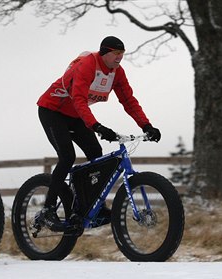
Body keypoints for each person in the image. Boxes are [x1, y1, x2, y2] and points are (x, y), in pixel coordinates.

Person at [36, 35, 161, 231]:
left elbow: (128, 101)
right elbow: (78, 99)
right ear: (104, 52)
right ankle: (47, 210)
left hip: (76, 115)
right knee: (67, 156)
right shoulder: (87, 65)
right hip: (52, 111)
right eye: (116, 53)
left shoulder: (117, 73)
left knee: (95, 152)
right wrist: (96, 126)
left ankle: (90, 204)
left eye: (123, 54)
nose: (120, 58)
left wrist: (146, 125)